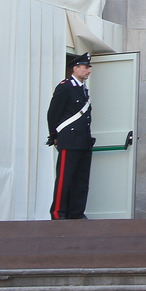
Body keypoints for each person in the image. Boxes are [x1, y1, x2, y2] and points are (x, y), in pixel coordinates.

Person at [47, 53, 94, 220]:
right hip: (69, 139)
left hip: (83, 141)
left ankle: (76, 212)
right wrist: (54, 135)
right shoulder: (65, 86)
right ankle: (58, 213)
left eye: (89, 67)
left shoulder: (83, 89)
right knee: (64, 179)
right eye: (86, 67)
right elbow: (53, 113)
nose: (89, 71)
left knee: (81, 181)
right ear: (75, 68)